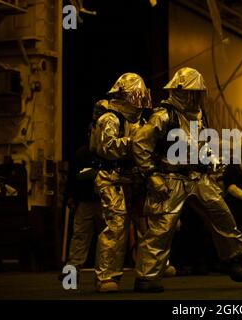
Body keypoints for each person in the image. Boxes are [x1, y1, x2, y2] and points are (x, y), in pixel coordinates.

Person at [132, 67, 242, 292]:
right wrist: (151, 174)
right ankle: (147, 275)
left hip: (198, 176)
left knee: (221, 214)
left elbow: (202, 146)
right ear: (180, 91)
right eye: (192, 92)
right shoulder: (164, 115)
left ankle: (233, 260)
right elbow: (140, 143)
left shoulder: (197, 117)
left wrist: (214, 167)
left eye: (198, 93)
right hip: (170, 177)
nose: (196, 98)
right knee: (163, 226)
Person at [90, 73, 151, 292]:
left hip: (133, 178)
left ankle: (147, 273)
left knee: (147, 225)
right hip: (111, 178)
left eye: (142, 97)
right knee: (115, 225)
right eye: (135, 96)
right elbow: (107, 148)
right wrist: (137, 143)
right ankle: (106, 276)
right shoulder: (110, 118)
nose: (140, 102)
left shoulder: (139, 120)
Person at [63, 145, 104, 272]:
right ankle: (75, 268)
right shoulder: (84, 153)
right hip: (90, 199)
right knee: (82, 234)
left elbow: (73, 176)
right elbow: (73, 176)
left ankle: (103, 269)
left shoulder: (105, 151)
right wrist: (70, 196)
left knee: (85, 235)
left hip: (101, 200)